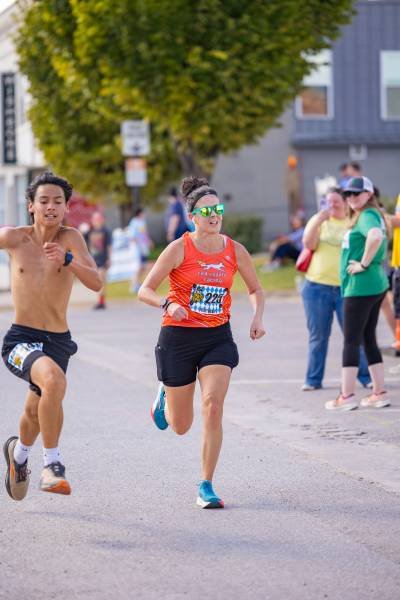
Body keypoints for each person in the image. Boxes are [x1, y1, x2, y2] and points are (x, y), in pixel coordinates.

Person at [138, 176, 265, 509]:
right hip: (178, 337)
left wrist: (257, 317)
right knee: (181, 426)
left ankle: (206, 484)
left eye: (218, 209)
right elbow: (144, 290)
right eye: (206, 211)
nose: (214, 216)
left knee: (213, 405)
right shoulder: (179, 248)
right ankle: (165, 397)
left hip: (216, 337)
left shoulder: (234, 250)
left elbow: (255, 289)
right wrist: (167, 304)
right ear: (192, 216)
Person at [0, 171, 102, 500]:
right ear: (31, 205)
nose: (51, 207)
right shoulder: (14, 238)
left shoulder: (71, 239)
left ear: (66, 207)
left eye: (58, 201)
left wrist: (68, 260)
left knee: (35, 411)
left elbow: (96, 282)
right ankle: (52, 465)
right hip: (21, 339)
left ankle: (18, 457)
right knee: (54, 382)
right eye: (43, 201)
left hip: (57, 341)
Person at [325, 176, 389, 411]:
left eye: (356, 193)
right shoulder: (371, 214)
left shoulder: (367, 215)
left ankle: (347, 395)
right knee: (368, 337)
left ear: (369, 194)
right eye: (348, 194)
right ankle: (379, 393)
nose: (351, 197)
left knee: (351, 340)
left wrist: (363, 263)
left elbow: (375, 236)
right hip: (374, 284)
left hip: (361, 286)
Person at [301, 188, 371, 391]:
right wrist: (318, 220)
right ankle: (313, 379)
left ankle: (365, 376)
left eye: (336, 200)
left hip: (347, 288)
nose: (332, 204)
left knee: (353, 335)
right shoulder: (320, 221)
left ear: (345, 201)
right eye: (328, 201)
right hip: (316, 287)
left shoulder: (353, 221)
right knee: (318, 337)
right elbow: (308, 244)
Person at [85, 211, 112, 309]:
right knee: (97, 281)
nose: (96, 221)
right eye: (95, 219)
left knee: (101, 280)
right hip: (93, 260)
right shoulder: (90, 231)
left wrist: (109, 258)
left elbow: (109, 246)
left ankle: (101, 301)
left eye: (98, 219)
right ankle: (100, 301)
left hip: (102, 259)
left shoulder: (105, 231)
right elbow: (83, 241)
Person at [127, 207, 153, 294]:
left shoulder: (142, 222)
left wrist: (149, 242)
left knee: (143, 266)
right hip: (137, 249)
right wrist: (138, 247)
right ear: (139, 213)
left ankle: (137, 283)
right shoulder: (134, 222)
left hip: (143, 248)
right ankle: (133, 285)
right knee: (138, 267)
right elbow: (132, 236)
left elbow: (144, 234)